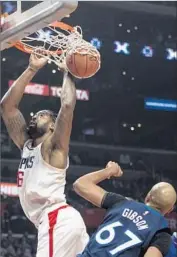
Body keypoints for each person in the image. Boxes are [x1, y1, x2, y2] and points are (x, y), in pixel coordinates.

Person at [0, 51, 89, 257]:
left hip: (56, 219)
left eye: (41, 116)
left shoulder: (54, 147)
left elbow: (67, 106)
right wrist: (32, 69)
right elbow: (7, 107)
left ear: (52, 127)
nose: (33, 117)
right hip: (58, 221)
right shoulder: (26, 145)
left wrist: (69, 72)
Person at [73, 161, 177, 257]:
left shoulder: (121, 202)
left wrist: (109, 171)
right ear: (169, 210)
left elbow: (80, 185)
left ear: (148, 197)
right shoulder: (161, 232)